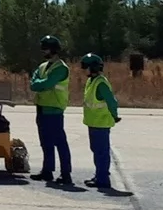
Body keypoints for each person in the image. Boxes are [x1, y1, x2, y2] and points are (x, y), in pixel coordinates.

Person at [29, 34, 73, 187]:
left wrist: (38, 83)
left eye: (45, 49)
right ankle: (47, 170)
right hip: (41, 108)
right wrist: (37, 83)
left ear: (53, 50)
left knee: (60, 142)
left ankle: (66, 173)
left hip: (54, 109)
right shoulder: (43, 66)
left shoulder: (61, 68)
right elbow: (33, 83)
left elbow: (46, 83)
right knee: (45, 142)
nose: (43, 51)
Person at [80, 53, 123, 192]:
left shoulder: (100, 83)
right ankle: (99, 175)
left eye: (86, 67)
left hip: (101, 123)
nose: (84, 70)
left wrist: (115, 115)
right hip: (93, 122)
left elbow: (111, 101)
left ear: (92, 68)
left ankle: (103, 179)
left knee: (101, 152)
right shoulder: (92, 81)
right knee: (96, 150)